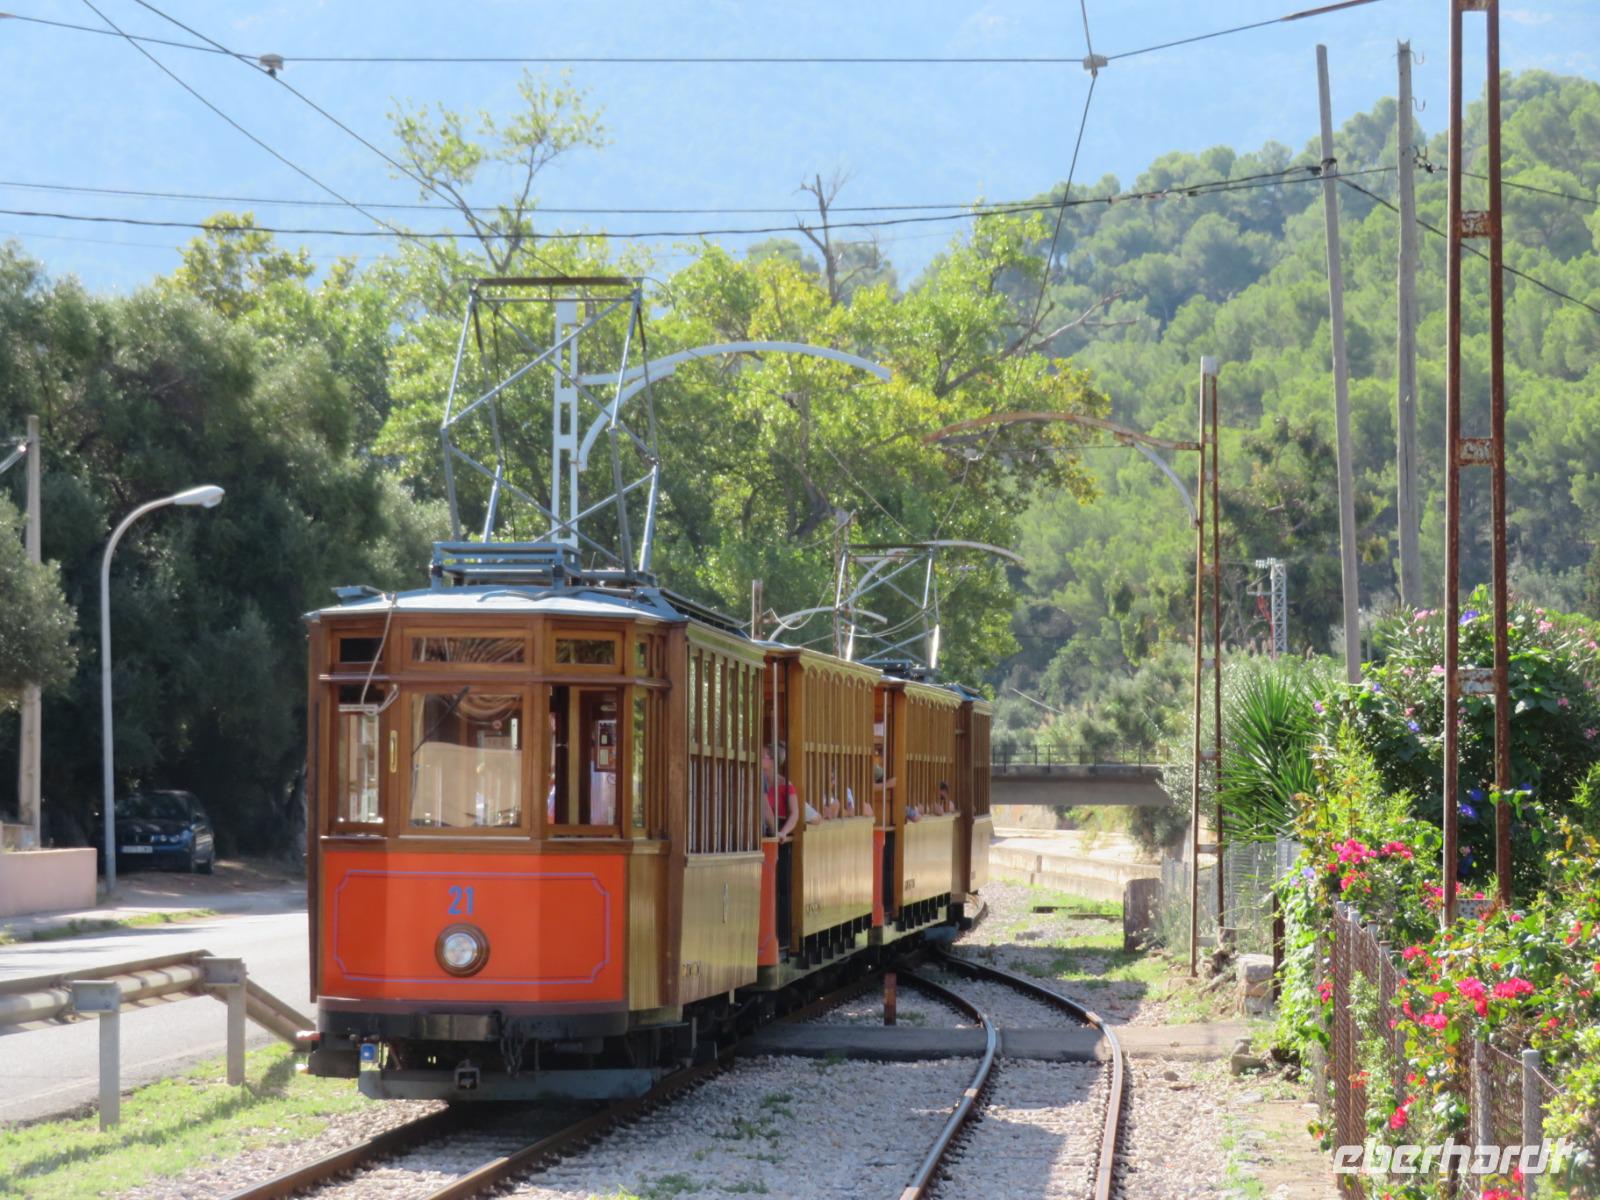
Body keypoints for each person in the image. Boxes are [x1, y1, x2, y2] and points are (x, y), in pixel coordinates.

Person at [762, 744, 799, 950]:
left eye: (764, 756)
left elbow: (795, 813)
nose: (760, 759)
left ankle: (782, 935)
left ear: (773, 761)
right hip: (765, 834)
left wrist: (783, 832)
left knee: (782, 888)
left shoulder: (785, 785)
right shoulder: (757, 781)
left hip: (781, 838)